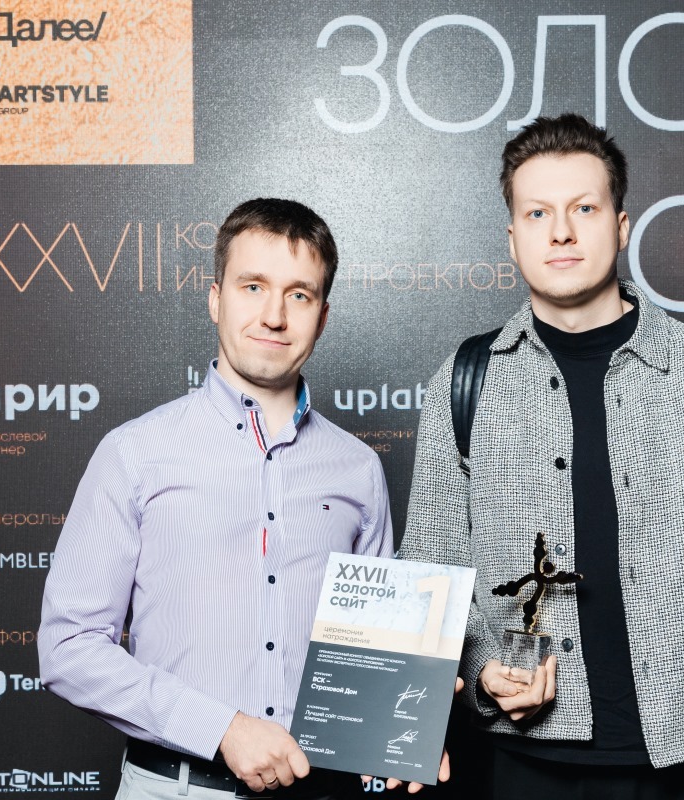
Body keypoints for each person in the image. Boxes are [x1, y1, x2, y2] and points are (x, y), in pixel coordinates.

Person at [399, 114, 684, 798]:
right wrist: (484, 673)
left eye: (583, 209)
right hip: (525, 767)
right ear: (513, 237)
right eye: (538, 213)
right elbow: (431, 569)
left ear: (620, 227)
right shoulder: (465, 382)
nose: (561, 231)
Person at [39, 198, 435, 799]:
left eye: (299, 295)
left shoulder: (358, 468)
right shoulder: (134, 453)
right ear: (215, 298)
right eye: (253, 287)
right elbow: (69, 648)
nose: (274, 316)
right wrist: (221, 728)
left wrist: (407, 721)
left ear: (322, 316)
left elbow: (373, 657)